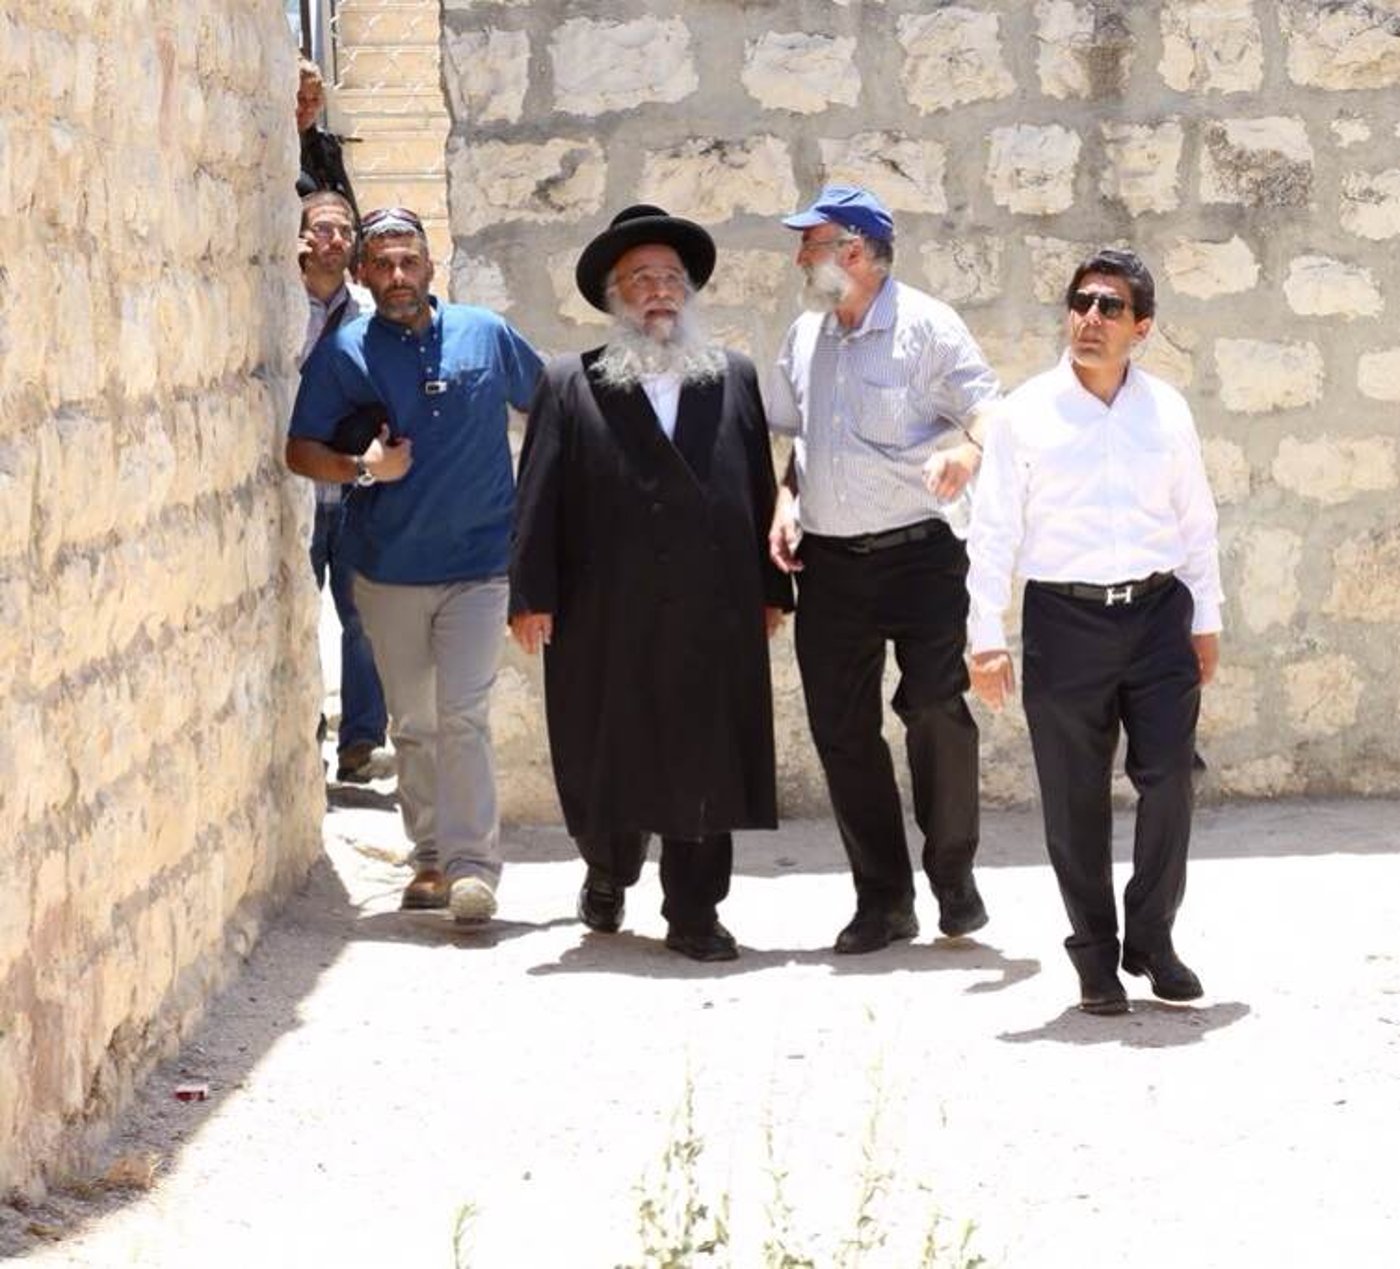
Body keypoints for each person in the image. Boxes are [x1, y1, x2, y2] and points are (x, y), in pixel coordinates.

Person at [510, 205, 793, 962]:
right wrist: (532, 597)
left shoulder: (731, 376)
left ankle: (695, 912)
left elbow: (756, 486)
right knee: (608, 747)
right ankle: (609, 869)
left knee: (707, 757)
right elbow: (538, 494)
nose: (659, 290)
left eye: (670, 277)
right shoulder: (571, 382)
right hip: (605, 608)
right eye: (640, 279)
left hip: (712, 605)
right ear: (615, 297)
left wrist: (772, 589)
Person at [965, 248, 1223, 1015]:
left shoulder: (1167, 411)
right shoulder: (1023, 415)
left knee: (1171, 774)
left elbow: (1196, 521)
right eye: (1081, 302)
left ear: (1141, 327)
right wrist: (986, 636)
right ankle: (1095, 957)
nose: (1090, 318)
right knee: (1074, 798)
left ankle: (1152, 936)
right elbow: (993, 531)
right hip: (1064, 621)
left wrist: (1206, 619)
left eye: (1110, 307)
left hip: (1158, 614)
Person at [286, 206, 543, 924]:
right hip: (388, 569)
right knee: (414, 723)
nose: (398, 275)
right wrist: (363, 468)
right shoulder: (344, 352)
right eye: (383, 264)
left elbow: (549, 404)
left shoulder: (485, 334)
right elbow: (299, 450)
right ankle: (428, 854)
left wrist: (545, 512)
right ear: (363, 274)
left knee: (463, 715)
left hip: (481, 565)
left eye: (409, 261)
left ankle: (471, 867)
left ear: (431, 266)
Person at [768, 185, 1000, 954]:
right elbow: (800, 442)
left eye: (811, 243)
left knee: (934, 706)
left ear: (856, 252)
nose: (800, 258)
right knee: (840, 729)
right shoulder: (805, 337)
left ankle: (953, 877)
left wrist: (968, 452)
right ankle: (884, 898)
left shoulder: (928, 327)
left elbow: (988, 411)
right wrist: (785, 500)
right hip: (830, 564)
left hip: (923, 556)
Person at [296, 191, 388, 783]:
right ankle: (304, 735)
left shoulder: (369, 314)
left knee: (364, 618)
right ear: (301, 237)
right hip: (298, 488)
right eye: (322, 229)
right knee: (295, 619)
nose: (334, 239)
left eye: (343, 230)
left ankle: (361, 741)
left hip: (356, 488)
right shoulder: (281, 305)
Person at [296, 58, 358, 217]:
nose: (308, 108)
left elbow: (347, 202)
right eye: (301, 99)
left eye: (315, 99)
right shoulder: (276, 147)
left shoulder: (327, 145)